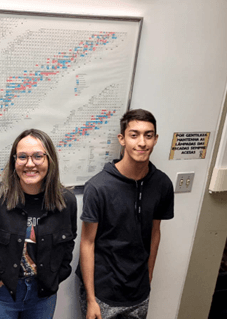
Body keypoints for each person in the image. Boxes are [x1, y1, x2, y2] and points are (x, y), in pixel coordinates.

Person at [0, 129, 77, 319]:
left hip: (43, 296)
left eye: (38, 156)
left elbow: (68, 243)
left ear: (49, 160)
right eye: (23, 157)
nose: (29, 164)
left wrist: (58, 275)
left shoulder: (66, 202)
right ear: (14, 161)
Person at [77, 109, 174, 319]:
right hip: (103, 292)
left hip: (138, 292)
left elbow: (155, 233)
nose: (142, 142)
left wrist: (148, 276)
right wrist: (91, 299)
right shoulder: (98, 187)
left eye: (148, 135)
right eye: (134, 135)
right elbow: (87, 242)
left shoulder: (162, 184)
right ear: (122, 139)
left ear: (155, 139)